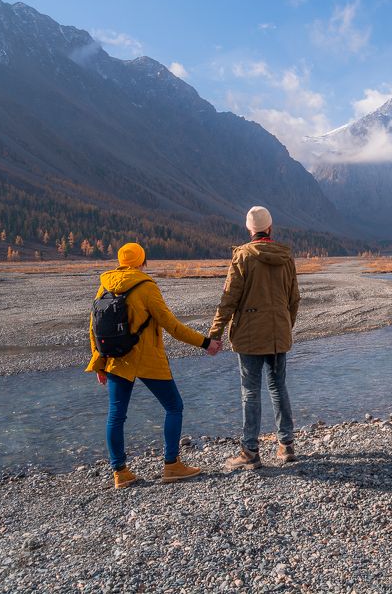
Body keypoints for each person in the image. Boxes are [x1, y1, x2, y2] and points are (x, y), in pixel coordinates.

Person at [86, 242, 222, 489]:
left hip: (117, 359)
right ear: (142, 261)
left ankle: (120, 473)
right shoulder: (146, 287)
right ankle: (172, 465)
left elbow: (94, 328)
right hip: (148, 360)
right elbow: (172, 326)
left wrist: (99, 362)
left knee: (116, 415)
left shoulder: (104, 285)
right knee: (174, 407)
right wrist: (206, 343)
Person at [209, 206, 300, 470]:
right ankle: (286, 446)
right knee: (278, 387)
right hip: (278, 334)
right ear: (270, 228)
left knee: (251, 391)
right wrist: (285, 325)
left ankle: (250, 452)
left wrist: (214, 333)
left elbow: (229, 299)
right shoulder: (286, 256)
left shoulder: (243, 256)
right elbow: (294, 298)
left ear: (250, 230)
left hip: (249, 335)